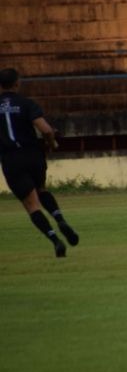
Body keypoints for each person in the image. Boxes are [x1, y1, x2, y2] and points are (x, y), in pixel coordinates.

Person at [0, 68, 79, 257]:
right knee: (41, 190)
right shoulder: (27, 103)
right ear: (17, 83)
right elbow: (46, 129)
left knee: (32, 205)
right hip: (33, 155)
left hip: (11, 159)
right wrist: (51, 143)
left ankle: (55, 240)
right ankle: (60, 219)